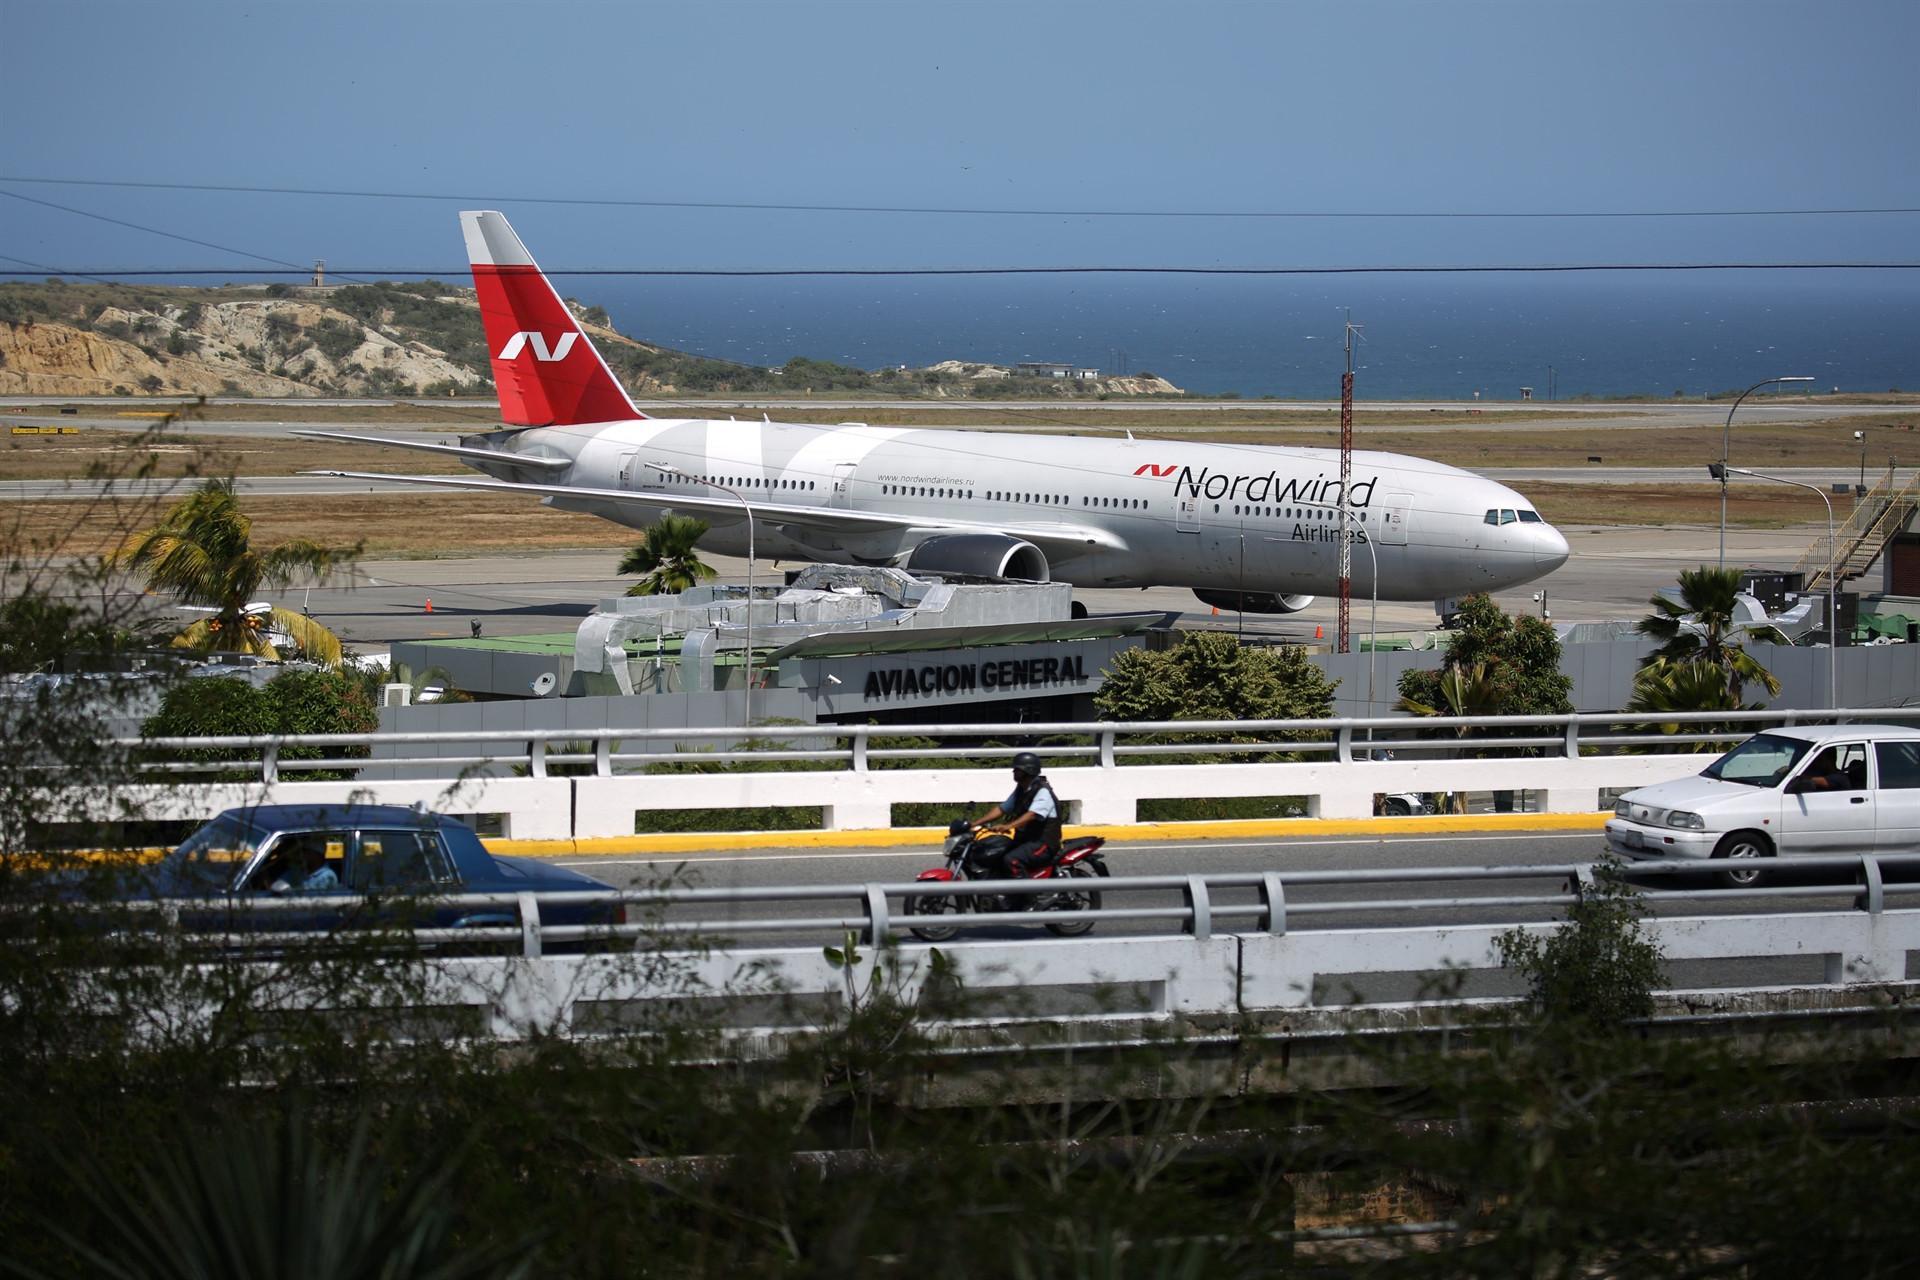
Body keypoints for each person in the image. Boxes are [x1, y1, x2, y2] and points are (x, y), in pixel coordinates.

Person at [968, 752, 1064, 880]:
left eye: (1017, 769)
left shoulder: (1042, 791)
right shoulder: (1021, 790)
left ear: (1028, 771)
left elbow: (1032, 815)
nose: (1013, 772)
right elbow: (1002, 809)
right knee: (996, 853)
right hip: (1026, 841)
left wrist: (1008, 826)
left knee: (1012, 860)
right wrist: (975, 823)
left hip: (1043, 844)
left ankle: (1024, 892)